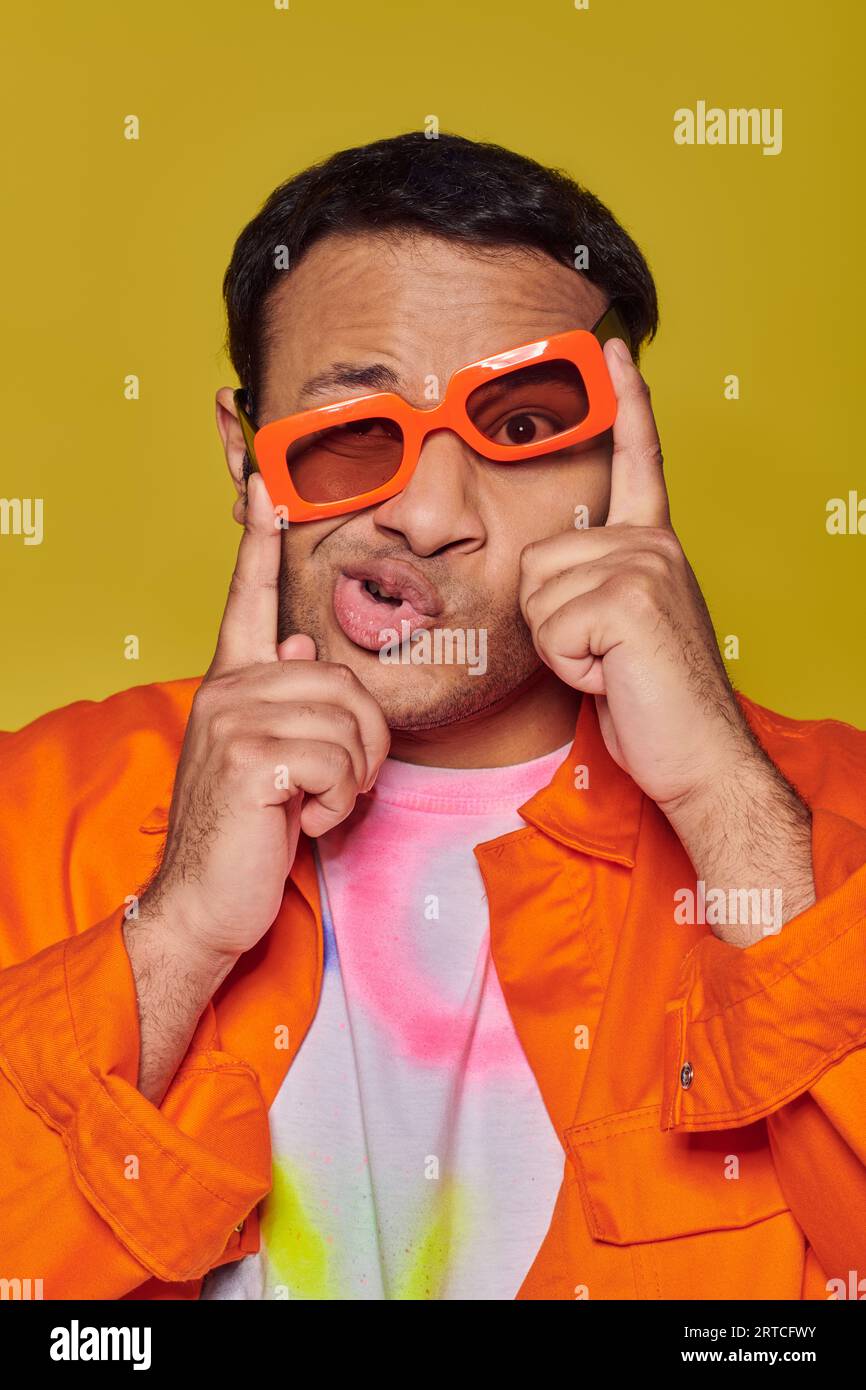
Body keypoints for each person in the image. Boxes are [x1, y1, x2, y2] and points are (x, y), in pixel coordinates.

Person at [1, 131, 864, 1302]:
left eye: (517, 429)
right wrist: (174, 933)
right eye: (355, 431)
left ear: (613, 455)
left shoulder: (820, 816)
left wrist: (721, 802)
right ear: (244, 455)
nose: (426, 513)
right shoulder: (33, 809)